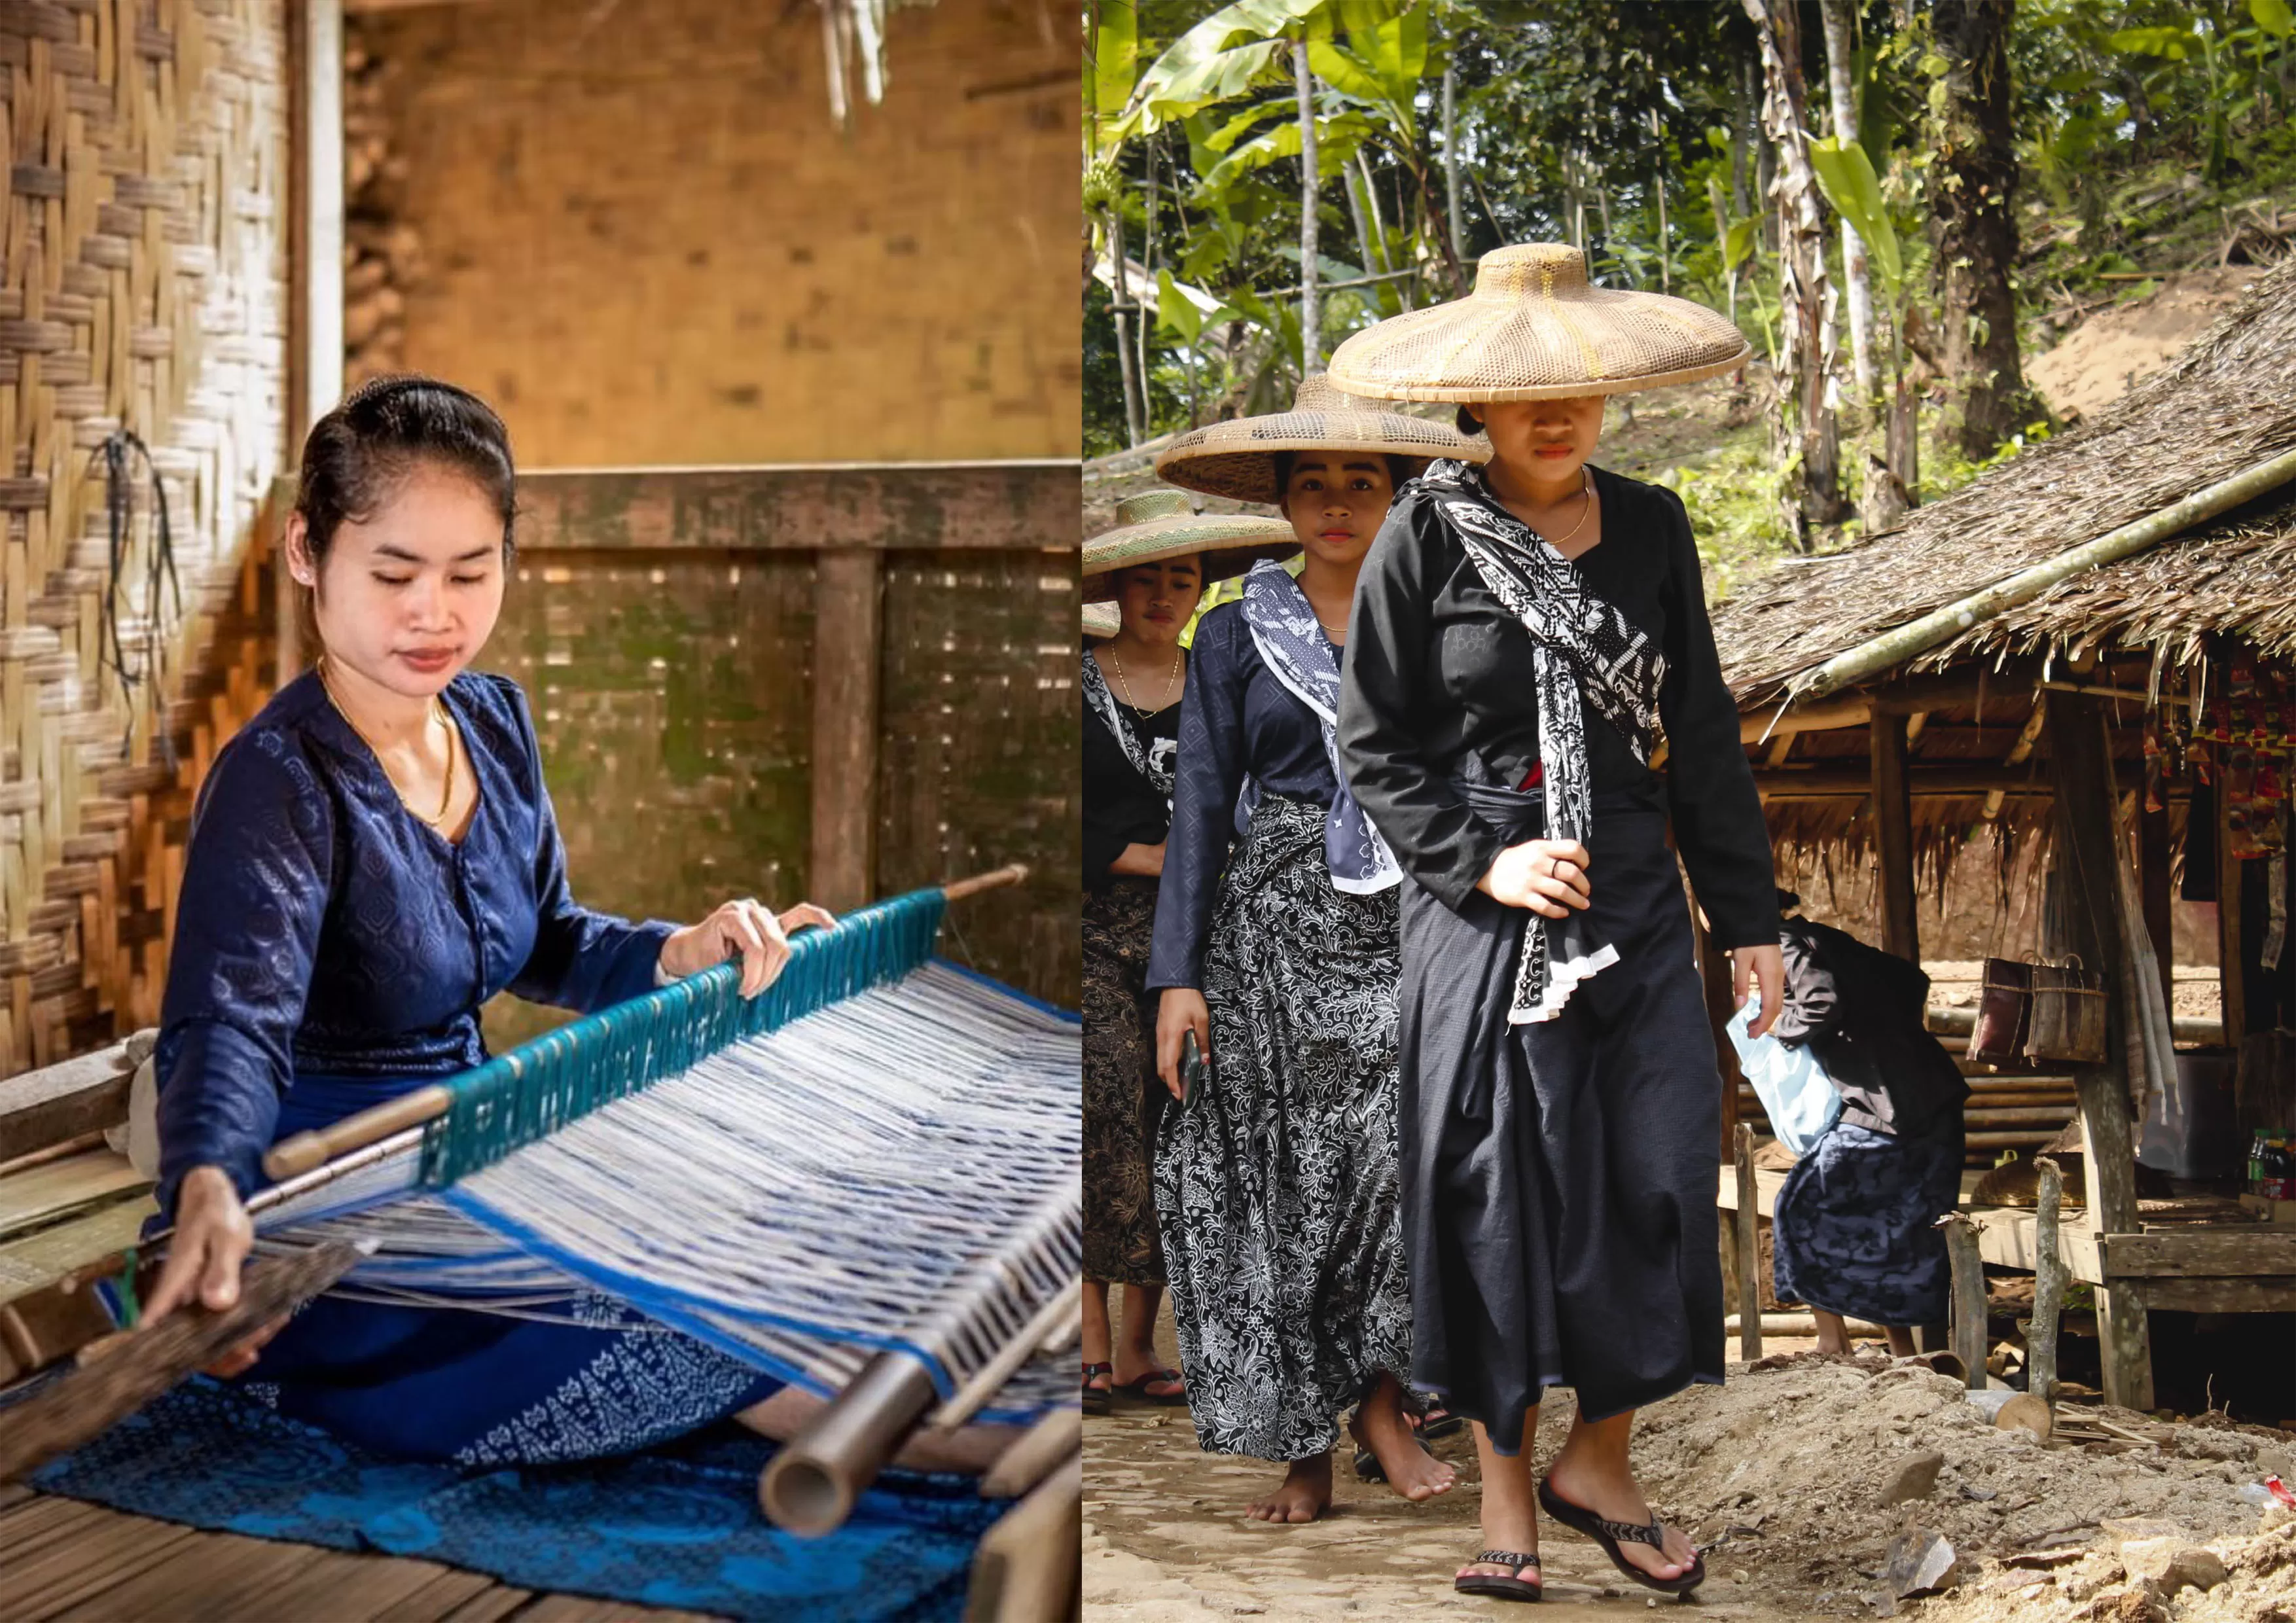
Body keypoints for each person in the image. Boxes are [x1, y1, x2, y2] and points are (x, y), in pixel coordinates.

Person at [139, 374, 983, 1469]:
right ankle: (964, 1446)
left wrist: (684, 950)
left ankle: (950, 1416)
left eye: (469, 572)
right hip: (342, 1211)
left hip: (479, 1143)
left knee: (768, 1213)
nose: (433, 613)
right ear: (309, 553)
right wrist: (209, 1179)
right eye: (392, 573)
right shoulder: (280, 780)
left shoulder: (491, 725)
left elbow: (542, 941)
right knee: (676, 1291)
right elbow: (229, 1023)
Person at [1331, 243, 1781, 1600]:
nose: (1554, 414)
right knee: (1491, 1187)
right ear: (1475, 403)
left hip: (1633, 893)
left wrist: (1746, 917)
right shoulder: (1422, 531)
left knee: (1652, 1169)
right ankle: (1504, 1498)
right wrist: (1483, 864)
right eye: (1524, 394)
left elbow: (1696, 732)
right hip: (1478, 910)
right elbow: (1374, 742)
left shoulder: (1652, 526)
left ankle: (1603, 1457)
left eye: (1577, 389)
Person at [1145, 378, 1489, 1523]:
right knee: (1287, 1187)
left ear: (1396, 498)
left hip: (1414, 917)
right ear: (1284, 505)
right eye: (1312, 485)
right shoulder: (1236, 632)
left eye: (1361, 482)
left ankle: (1383, 1399)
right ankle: (1307, 1441)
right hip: (1271, 941)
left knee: (1406, 1161)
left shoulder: (1443, 614)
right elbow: (1198, 805)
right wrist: (1175, 978)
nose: (1336, 503)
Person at [1081, 492, 1297, 1414]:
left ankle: (1140, 1346)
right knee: (1100, 1111)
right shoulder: (1073, 681)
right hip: (1092, 926)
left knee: (1183, 1116)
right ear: (1117, 588)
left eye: (1182, 579)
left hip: (1205, 930)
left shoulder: (1226, 676)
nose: (1164, 594)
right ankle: (1087, 1343)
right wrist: (1163, 858)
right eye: (1146, 578)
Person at [1767, 892, 1969, 1357]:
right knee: (1896, 1227)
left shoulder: (1783, 942)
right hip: (1932, 1097)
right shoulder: (1828, 939)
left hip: (1889, 1106)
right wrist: (1882, 1026)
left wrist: (1775, 1029)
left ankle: (1832, 1343)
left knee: (1798, 1204)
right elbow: (1911, 979)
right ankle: (1899, 1352)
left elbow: (1821, 1002)